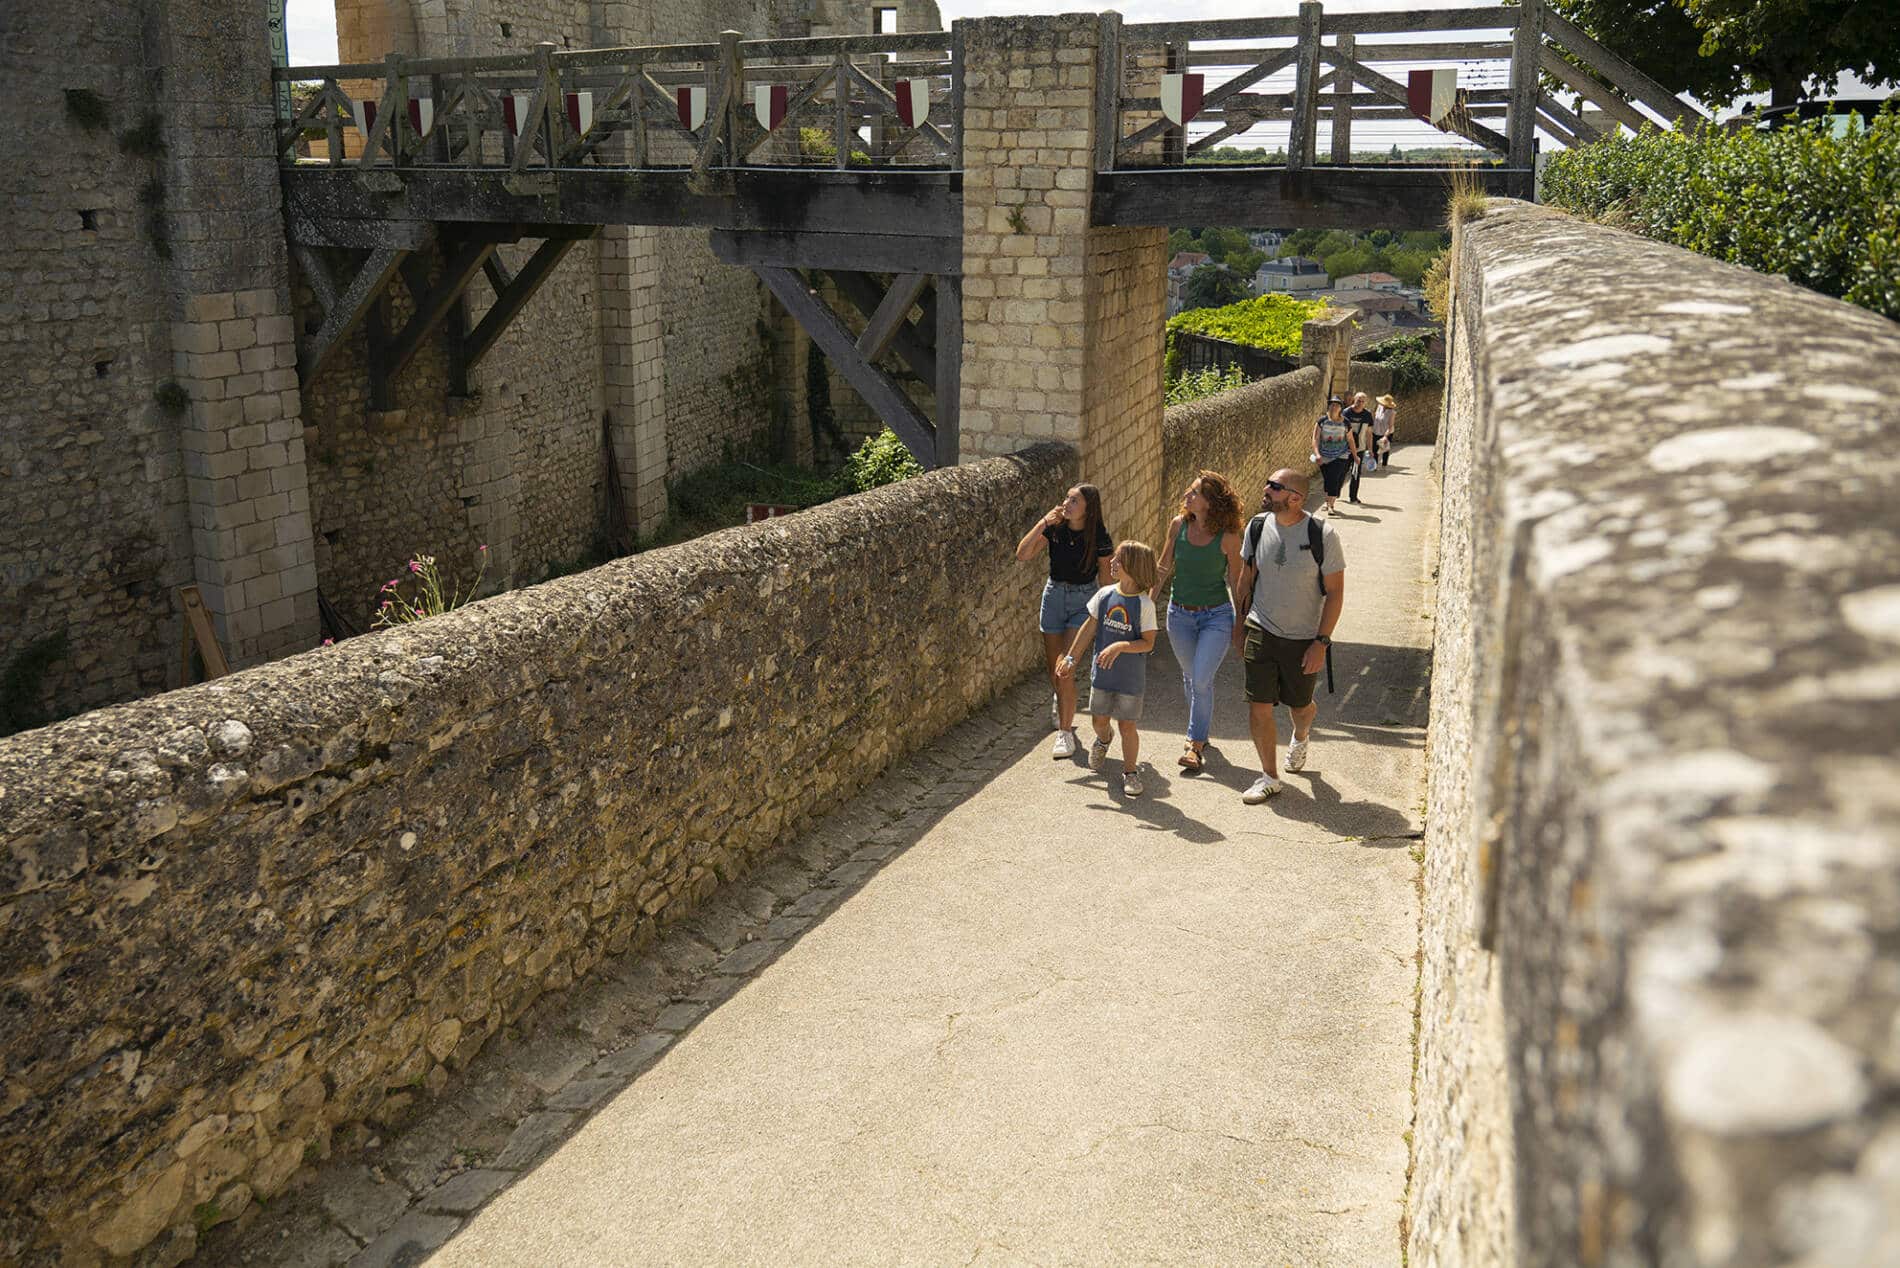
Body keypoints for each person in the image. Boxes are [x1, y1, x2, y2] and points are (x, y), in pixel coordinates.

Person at [1232, 469, 1345, 804]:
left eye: (1275, 487)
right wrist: (1239, 627)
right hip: (1261, 628)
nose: (1266, 489)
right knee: (1259, 705)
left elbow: (1336, 593)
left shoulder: (1322, 534)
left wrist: (1321, 642)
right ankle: (1269, 776)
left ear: (1295, 498)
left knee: (1301, 706)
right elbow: (1246, 579)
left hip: (1303, 638)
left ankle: (1301, 734)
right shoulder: (1256, 526)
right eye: (1267, 482)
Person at [1152, 471, 1244, 772]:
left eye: (1194, 493)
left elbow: (1236, 580)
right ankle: (1201, 730)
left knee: (1201, 677)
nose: (1187, 496)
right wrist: (1145, 604)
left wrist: (1241, 622)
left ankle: (1194, 743)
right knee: (1192, 677)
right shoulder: (1178, 525)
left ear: (1210, 502)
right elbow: (1163, 566)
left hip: (1216, 615)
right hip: (1179, 615)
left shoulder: (1229, 537)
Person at [1016, 484, 1112, 759]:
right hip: (1054, 595)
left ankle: (1065, 733)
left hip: (1084, 600)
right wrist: (1042, 522)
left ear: (1087, 508)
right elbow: (1023, 553)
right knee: (1053, 667)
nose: (1067, 503)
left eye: (1074, 500)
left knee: (1065, 668)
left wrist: (1108, 613)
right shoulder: (1055, 528)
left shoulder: (1100, 537)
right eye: (1067, 498)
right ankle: (1062, 701)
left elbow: (1106, 580)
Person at [1056, 541, 1159, 797]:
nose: (1111, 562)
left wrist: (1121, 646)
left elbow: (1148, 643)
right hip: (1102, 676)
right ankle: (1104, 739)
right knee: (1099, 720)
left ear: (1132, 567)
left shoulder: (1145, 605)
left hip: (1130, 680)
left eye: (1118, 560)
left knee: (1128, 725)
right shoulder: (1104, 596)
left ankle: (1131, 773)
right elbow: (1088, 629)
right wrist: (1070, 659)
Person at [1311, 395, 1358, 515]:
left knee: (1334, 479)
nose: (1334, 407)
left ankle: (1331, 505)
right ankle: (1328, 502)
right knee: (1327, 480)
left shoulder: (1346, 423)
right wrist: (1317, 454)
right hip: (1324, 455)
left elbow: (1351, 440)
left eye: (1337, 405)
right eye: (1332, 405)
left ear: (1341, 408)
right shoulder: (1322, 421)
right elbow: (1315, 439)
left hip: (1341, 455)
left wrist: (1355, 455)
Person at [1343, 392, 1377, 504]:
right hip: (1345, 449)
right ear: (1354, 400)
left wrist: (1370, 450)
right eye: (1358, 400)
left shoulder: (1367, 415)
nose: (1360, 403)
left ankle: (1353, 497)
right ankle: (1335, 492)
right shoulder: (1346, 412)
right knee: (1342, 472)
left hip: (1360, 449)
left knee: (1356, 473)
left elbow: (1369, 433)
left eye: (1363, 401)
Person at [1372, 393, 1397, 464]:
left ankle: (1384, 464)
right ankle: (1374, 465)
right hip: (1376, 430)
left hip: (1386, 432)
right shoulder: (1379, 407)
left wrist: (1385, 436)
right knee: (1374, 449)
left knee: (1385, 449)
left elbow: (1390, 426)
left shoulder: (1392, 412)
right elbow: (1375, 417)